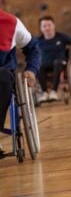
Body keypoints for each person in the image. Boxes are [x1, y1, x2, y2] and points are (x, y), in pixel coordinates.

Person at [1, 9, 40, 155]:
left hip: (3, 76)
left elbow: (33, 48)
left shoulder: (11, 23)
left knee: (3, 75)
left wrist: (32, 69)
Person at [37, 16, 71, 102]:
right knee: (38, 66)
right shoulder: (38, 40)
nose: (47, 28)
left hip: (61, 64)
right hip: (45, 65)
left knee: (57, 62)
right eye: (44, 26)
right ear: (41, 28)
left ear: (53, 25)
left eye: (49, 25)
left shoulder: (61, 37)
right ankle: (44, 92)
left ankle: (54, 91)